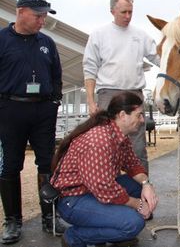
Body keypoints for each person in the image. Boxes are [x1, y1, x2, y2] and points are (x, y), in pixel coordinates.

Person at [0, 0, 66, 243]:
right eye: (38, 15)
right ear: (20, 12)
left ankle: (50, 217)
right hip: (10, 111)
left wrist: (54, 101)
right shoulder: (2, 40)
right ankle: (13, 221)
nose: (42, 21)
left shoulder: (47, 42)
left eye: (45, 16)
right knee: (10, 165)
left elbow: (56, 75)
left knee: (48, 163)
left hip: (43, 112)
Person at [51, 91, 158, 247]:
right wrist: (138, 205)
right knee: (133, 223)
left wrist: (146, 184)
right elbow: (104, 188)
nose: (142, 120)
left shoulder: (119, 134)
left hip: (90, 192)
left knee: (136, 186)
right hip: (73, 200)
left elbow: (133, 164)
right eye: (139, 115)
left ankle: (106, 228)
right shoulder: (99, 140)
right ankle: (75, 237)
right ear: (123, 115)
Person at [83, 0, 160, 173]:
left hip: (134, 94)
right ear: (112, 11)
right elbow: (90, 68)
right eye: (123, 12)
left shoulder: (140, 35)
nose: (128, 16)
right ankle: (110, 192)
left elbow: (159, 58)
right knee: (108, 146)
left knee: (138, 148)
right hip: (108, 94)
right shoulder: (98, 35)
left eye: (130, 12)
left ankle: (143, 192)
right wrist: (91, 101)